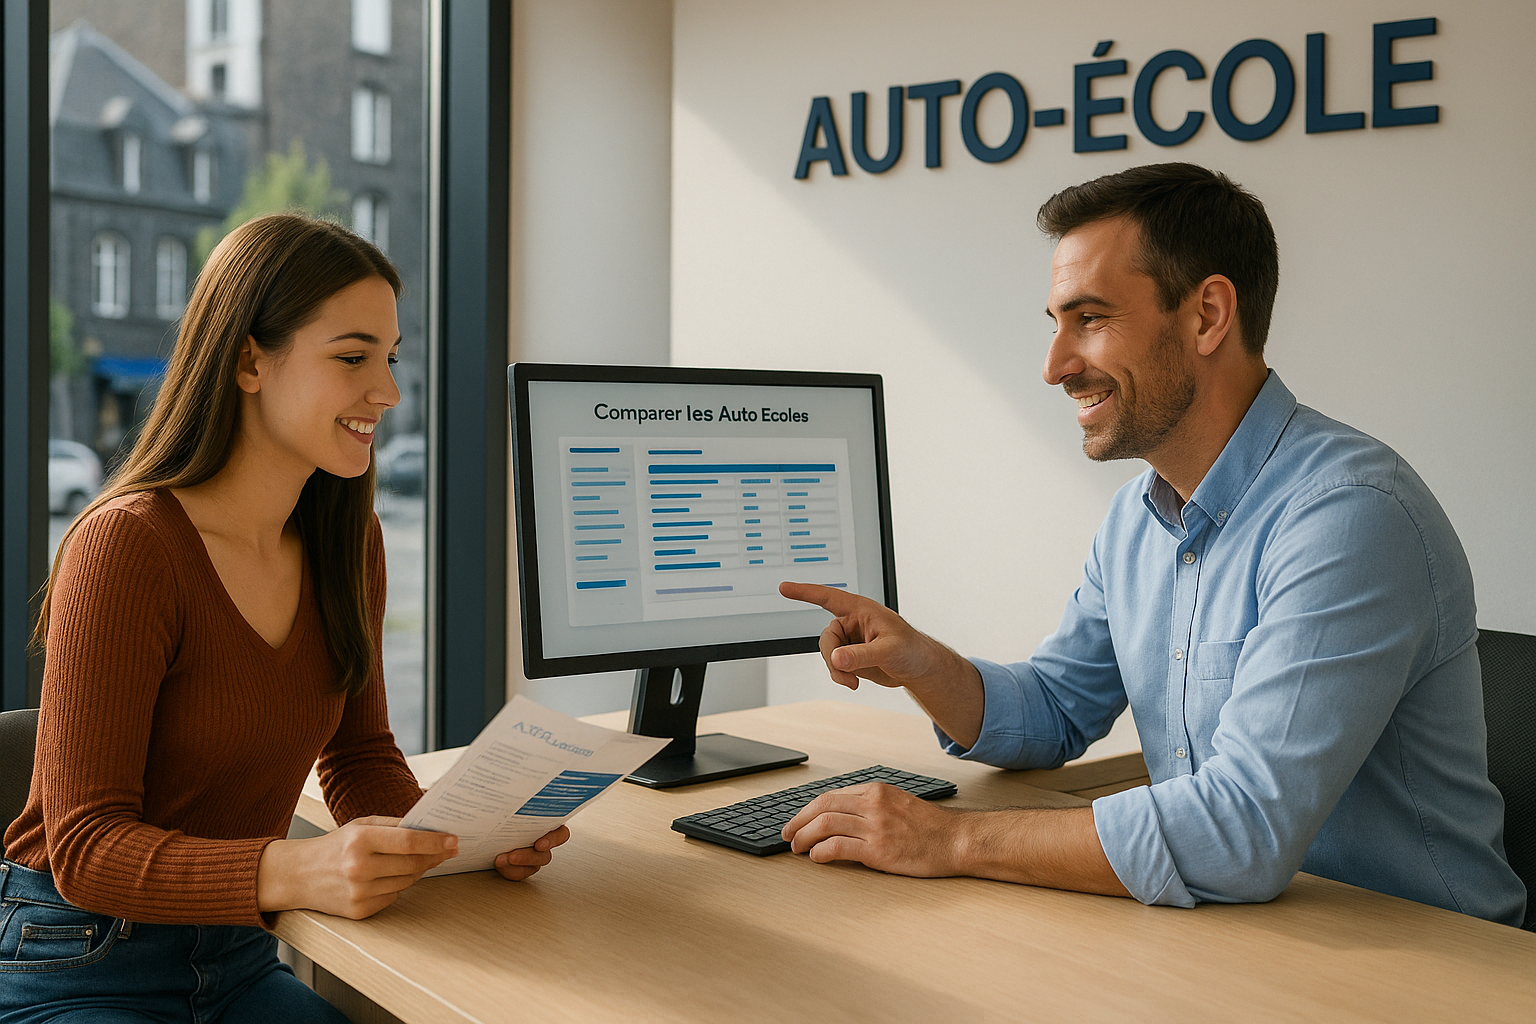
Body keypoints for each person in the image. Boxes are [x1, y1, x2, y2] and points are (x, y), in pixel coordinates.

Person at [779, 163, 1526, 927]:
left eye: (1090, 319)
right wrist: (920, 662)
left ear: (1207, 316)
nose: (1054, 365)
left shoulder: (1349, 516)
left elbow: (1241, 831)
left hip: (1434, 965)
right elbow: (1055, 710)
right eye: (1054, 322)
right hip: (1247, 938)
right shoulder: (1140, 516)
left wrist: (951, 840)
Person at [1, 214, 570, 1021]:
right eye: (351, 357)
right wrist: (295, 870)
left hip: (235, 955)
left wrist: (457, 844)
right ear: (247, 361)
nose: (389, 391)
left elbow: (361, 757)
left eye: (391, 358)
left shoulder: (348, 540)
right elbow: (86, 847)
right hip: (79, 956)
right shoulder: (127, 547)